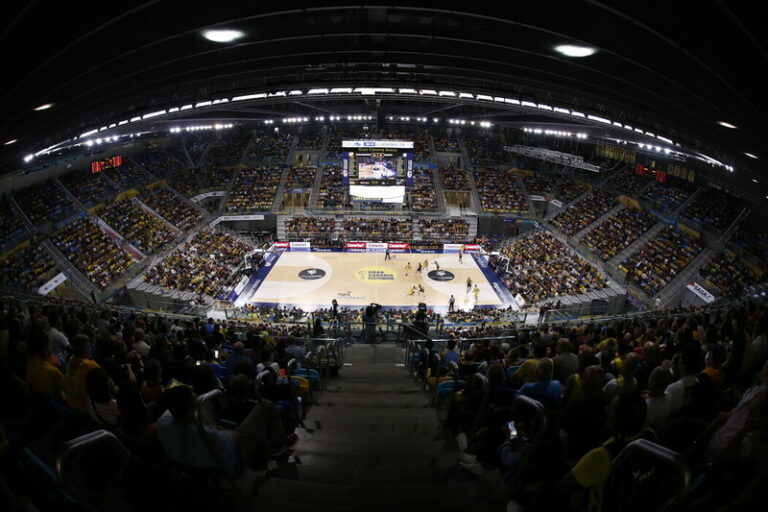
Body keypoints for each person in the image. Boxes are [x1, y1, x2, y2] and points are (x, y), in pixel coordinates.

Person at [64, 334, 100, 414]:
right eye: (88, 347)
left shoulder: (70, 360)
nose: (90, 349)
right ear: (85, 349)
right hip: (85, 409)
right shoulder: (91, 366)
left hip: (70, 403)